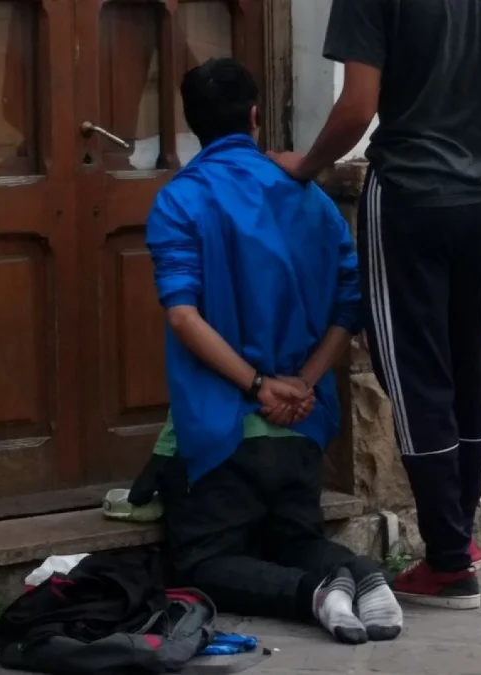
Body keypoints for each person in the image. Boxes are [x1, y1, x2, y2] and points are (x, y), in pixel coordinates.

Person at [270, 0, 481, 610]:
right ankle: (459, 541)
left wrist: (307, 165)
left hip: (414, 193)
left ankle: (448, 564)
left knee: (417, 376)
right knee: (465, 365)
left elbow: (357, 105)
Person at [145, 57, 403, 645]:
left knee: (203, 561)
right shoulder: (310, 197)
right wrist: (303, 384)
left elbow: (183, 315)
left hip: (219, 429)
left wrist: (260, 387)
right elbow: (350, 304)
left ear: (192, 124)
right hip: (302, 428)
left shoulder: (180, 199)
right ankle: (364, 576)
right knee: (293, 538)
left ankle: (314, 596)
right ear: (255, 117)